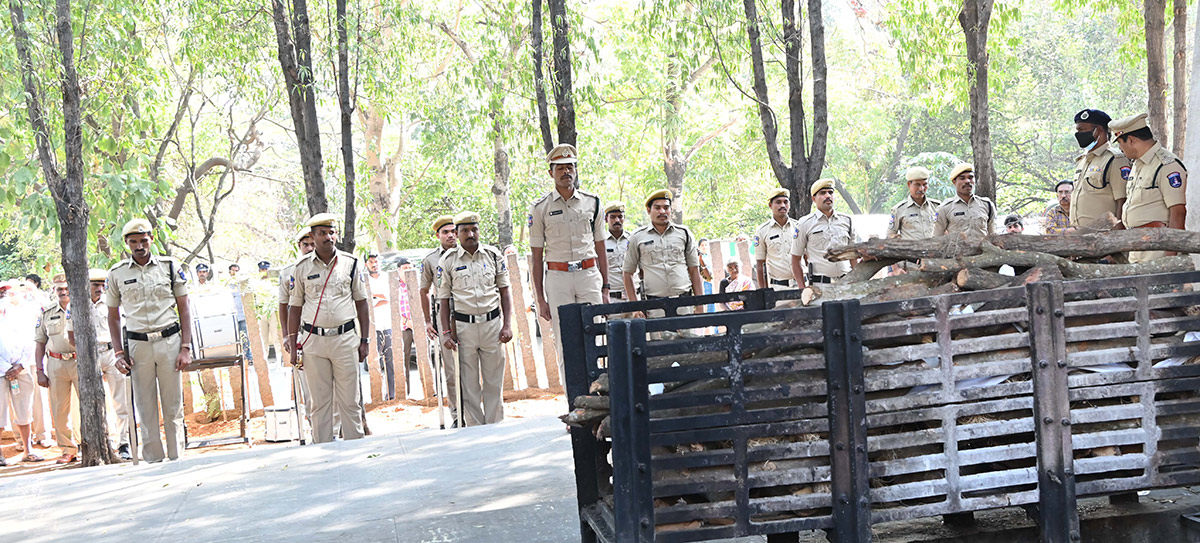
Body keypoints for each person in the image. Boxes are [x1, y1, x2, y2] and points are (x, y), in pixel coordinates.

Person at [106, 218, 194, 463]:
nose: (139, 246)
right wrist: (118, 353)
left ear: (151, 240)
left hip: (169, 341)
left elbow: (184, 308)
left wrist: (185, 347)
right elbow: (112, 316)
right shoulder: (117, 273)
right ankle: (153, 459)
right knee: (145, 406)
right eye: (133, 242)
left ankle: (177, 458)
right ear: (126, 244)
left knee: (173, 404)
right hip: (138, 346)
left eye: (144, 240)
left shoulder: (169, 267)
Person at [528, 143, 609, 387]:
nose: (566, 172)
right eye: (560, 167)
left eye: (570, 167)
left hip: (588, 274)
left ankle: (600, 398)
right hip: (558, 277)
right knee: (565, 341)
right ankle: (574, 401)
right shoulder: (540, 208)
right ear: (551, 172)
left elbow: (600, 246)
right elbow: (536, 255)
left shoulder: (592, 203)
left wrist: (605, 287)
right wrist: (540, 298)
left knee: (596, 334)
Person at [285, 213, 369, 443]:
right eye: (322, 233)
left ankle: (356, 450)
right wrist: (293, 346)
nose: (328, 237)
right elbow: (294, 308)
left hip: (345, 339)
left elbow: (361, 303)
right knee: (319, 403)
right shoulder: (301, 267)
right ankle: (323, 456)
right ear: (313, 236)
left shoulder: (350, 263)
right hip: (314, 342)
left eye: (331, 232)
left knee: (350, 401)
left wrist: (365, 340)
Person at [436, 212, 513, 426]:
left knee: (493, 381)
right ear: (458, 234)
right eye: (464, 231)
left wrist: (507, 325)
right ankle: (475, 430)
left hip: (492, 326)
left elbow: (505, 291)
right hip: (464, 329)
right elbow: (443, 300)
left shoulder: (493, 255)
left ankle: (495, 426)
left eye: (474, 229)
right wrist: (445, 333)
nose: (470, 234)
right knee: (469, 385)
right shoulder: (448, 260)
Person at [66, 268, 132, 460]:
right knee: (93, 401)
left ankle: (123, 442)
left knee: (120, 400)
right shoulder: (76, 305)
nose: (100, 289)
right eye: (95, 285)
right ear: (87, 285)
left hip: (112, 352)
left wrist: (121, 353)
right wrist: (86, 353)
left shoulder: (113, 303)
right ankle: (102, 442)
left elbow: (123, 328)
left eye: (103, 285)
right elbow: (71, 336)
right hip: (90, 354)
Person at [1110, 113, 1188, 262]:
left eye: (1120, 143)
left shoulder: (1167, 165)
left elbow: (1178, 213)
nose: (1120, 148)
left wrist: (1170, 259)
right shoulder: (1137, 164)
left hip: (1158, 250)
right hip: (1137, 248)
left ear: (1131, 140)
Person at [622, 189, 703, 306]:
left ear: (671, 209)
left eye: (666, 207)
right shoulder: (637, 237)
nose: (662, 211)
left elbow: (694, 270)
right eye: (657, 207)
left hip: (684, 302)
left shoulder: (684, 233)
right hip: (653, 306)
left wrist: (700, 305)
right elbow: (627, 273)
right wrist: (635, 307)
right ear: (649, 210)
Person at [33, 274, 79, 464]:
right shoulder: (46, 312)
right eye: (59, 289)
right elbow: (40, 344)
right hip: (56, 364)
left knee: (86, 405)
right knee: (60, 408)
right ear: (54, 290)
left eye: (66, 288)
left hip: (79, 362)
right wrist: (39, 370)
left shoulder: (81, 308)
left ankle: (89, 443)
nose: (63, 292)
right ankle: (68, 449)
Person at [420, 215, 460, 426]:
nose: (451, 235)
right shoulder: (430, 260)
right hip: (444, 316)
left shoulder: (466, 253)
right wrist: (428, 321)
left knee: (471, 367)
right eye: (445, 232)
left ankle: (473, 412)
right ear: (437, 235)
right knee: (451, 370)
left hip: (467, 312)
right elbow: (424, 290)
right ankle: (456, 414)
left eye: (454, 231)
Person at [0, 282, 42, 464]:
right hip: (1, 373)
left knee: (24, 411)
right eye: (0, 292)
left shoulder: (20, 315)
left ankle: (28, 450)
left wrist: (20, 366)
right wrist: (6, 368)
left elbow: (30, 341)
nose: (3, 295)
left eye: (6, 292)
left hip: (21, 371)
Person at [279, 227, 317, 422]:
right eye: (305, 245)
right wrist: (287, 336)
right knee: (308, 386)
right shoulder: (288, 272)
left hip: (326, 334)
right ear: (299, 247)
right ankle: (314, 426)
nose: (310, 248)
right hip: (302, 336)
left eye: (312, 244)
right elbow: (283, 306)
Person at [791, 179, 859, 287]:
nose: (828, 196)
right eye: (822, 193)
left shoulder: (847, 221)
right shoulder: (805, 223)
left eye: (830, 192)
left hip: (846, 283)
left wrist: (858, 282)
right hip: (820, 286)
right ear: (814, 199)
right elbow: (795, 259)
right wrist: (802, 288)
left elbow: (853, 256)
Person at [1071, 109, 1130, 229]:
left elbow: (1122, 200)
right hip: (1080, 234)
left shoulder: (1115, 159)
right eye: (1077, 130)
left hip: (1103, 236)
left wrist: (1117, 236)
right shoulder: (1082, 161)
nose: (1078, 134)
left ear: (1098, 131)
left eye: (1082, 129)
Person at [755, 188, 802, 290]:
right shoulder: (762, 231)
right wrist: (763, 291)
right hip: (779, 287)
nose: (782, 206)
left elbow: (807, 257)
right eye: (778, 202)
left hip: (802, 285)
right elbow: (760, 264)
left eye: (785, 202)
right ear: (770, 205)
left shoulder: (799, 227)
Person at [365, 252, 397, 400]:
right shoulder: (363, 280)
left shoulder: (387, 278)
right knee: (375, 363)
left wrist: (377, 298)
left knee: (391, 362)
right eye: (371, 262)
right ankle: (377, 397)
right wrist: (379, 298)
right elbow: (366, 301)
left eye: (376, 261)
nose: (374, 264)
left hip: (389, 323)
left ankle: (391, 394)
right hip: (373, 326)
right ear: (366, 264)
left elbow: (390, 297)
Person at [934, 163, 996, 238]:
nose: (967, 181)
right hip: (956, 249)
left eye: (970, 177)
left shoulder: (987, 205)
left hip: (983, 249)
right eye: (962, 178)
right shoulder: (944, 208)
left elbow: (993, 236)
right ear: (954, 181)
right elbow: (937, 238)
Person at [888, 167, 940, 240]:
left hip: (935, 250)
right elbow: (890, 236)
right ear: (909, 184)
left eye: (925, 184)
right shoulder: (899, 210)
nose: (921, 189)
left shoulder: (937, 207)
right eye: (917, 184)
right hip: (911, 250)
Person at [603, 203, 633, 300]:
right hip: (611, 298)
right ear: (606, 219)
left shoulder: (632, 239)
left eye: (620, 217)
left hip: (633, 296)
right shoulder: (600, 242)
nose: (617, 220)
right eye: (613, 217)